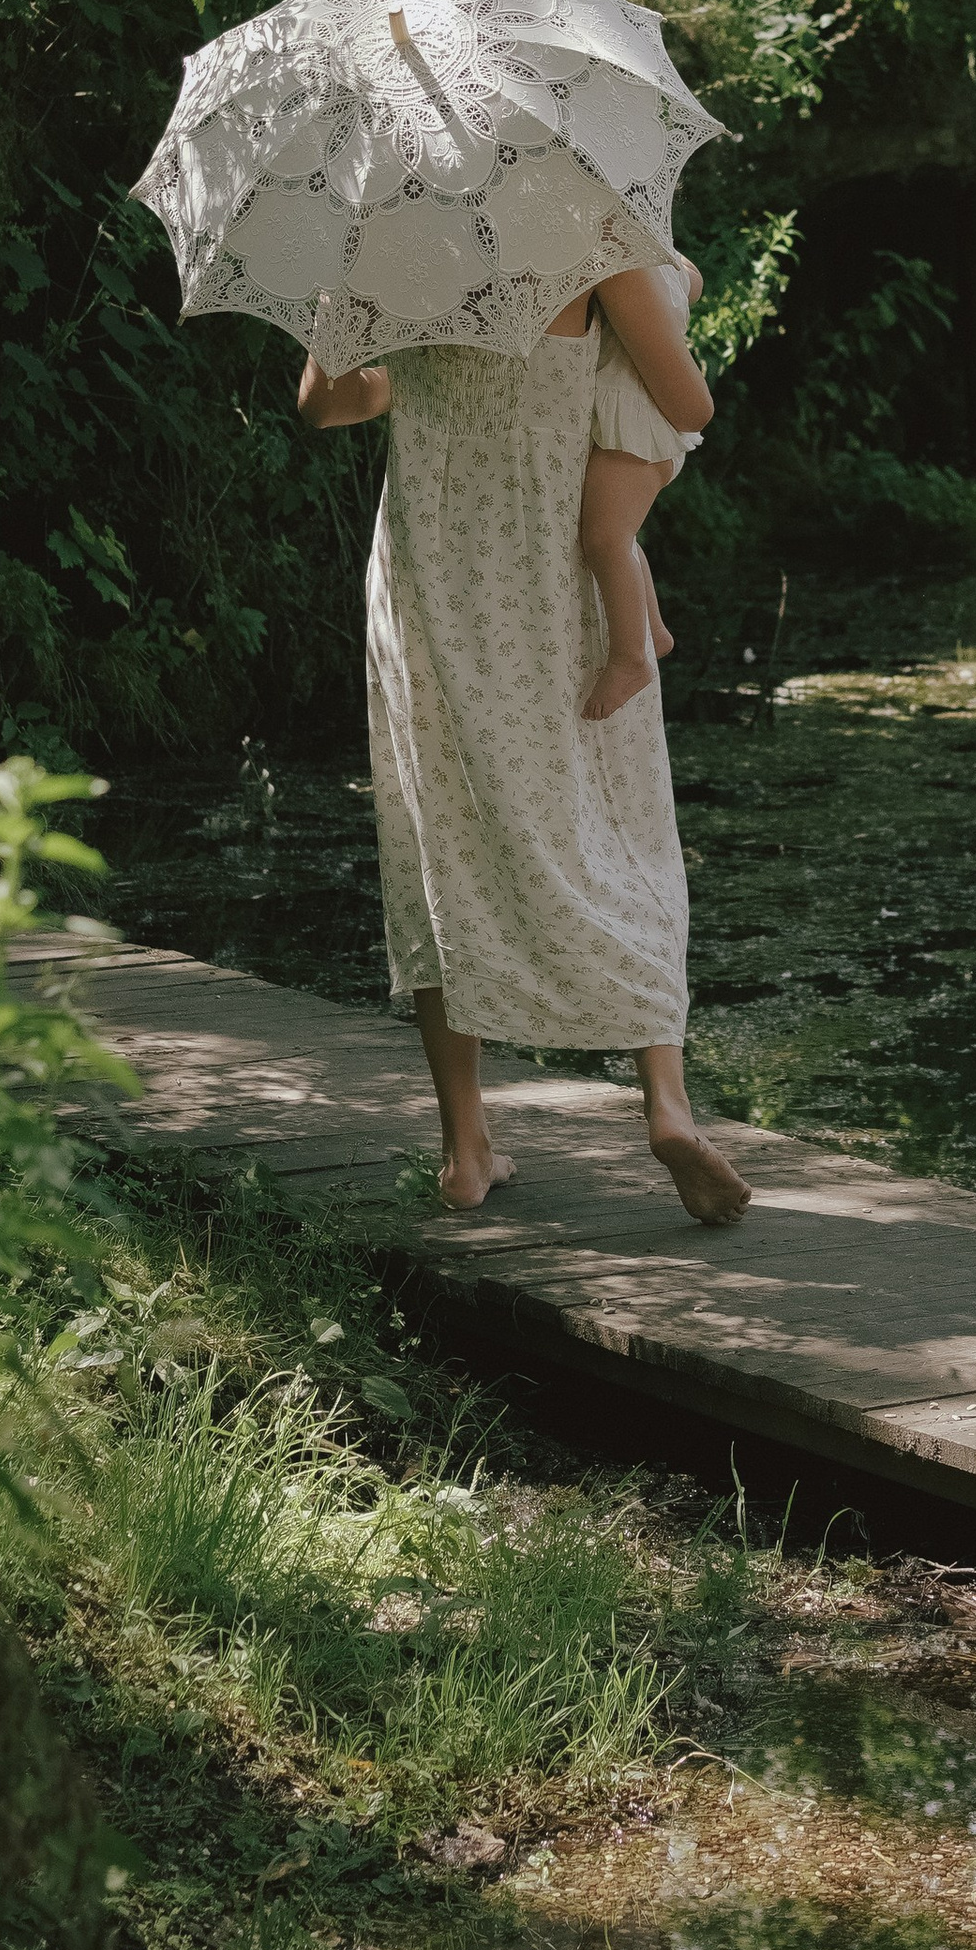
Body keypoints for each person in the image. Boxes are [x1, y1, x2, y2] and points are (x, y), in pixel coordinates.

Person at [297, 264, 749, 1229]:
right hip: (552, 569)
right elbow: (688, 400)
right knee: (620, 822)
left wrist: (406, 367)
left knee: (439, 843)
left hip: (431, 574)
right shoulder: (592, 241)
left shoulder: (389, 239)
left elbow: (329, 404)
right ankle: (665, 1103)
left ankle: (466, 1150)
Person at [580, 251, 711, 721]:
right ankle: (651, 630)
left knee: (604, 538)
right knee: (618, 533)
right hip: (642, 421)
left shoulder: (621, 264)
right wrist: (675, 259)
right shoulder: (668, 266)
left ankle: (629, 657)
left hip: (634, 419)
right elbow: (695, 283)